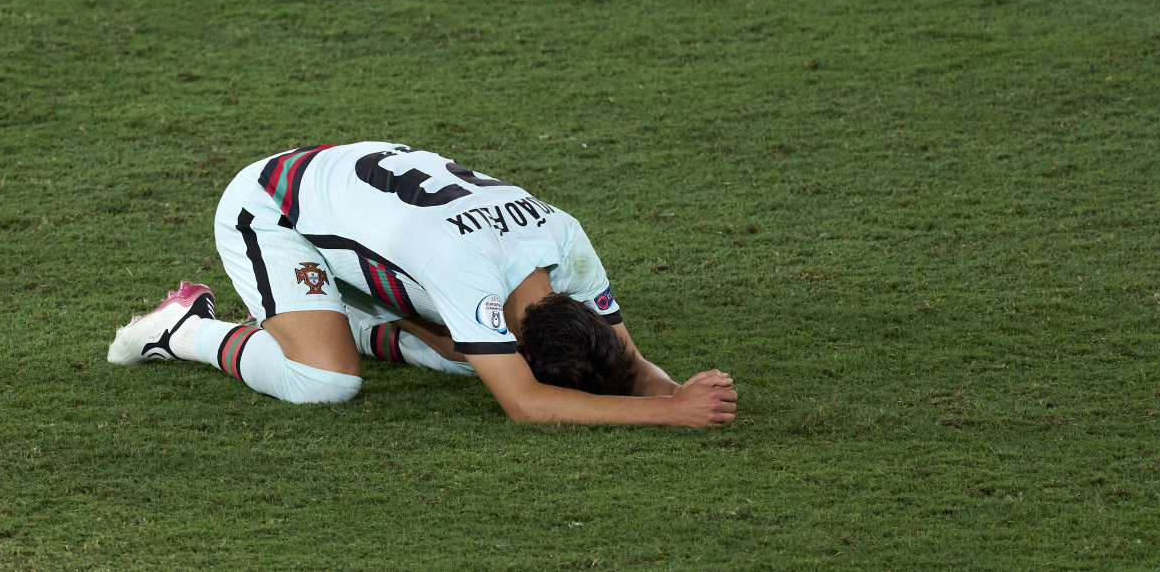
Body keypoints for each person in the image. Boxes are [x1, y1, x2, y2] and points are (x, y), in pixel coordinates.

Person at [108, 142, 737, 426]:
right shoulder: (468, 275)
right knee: (325, 383)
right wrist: (669, 416)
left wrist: (678, 389)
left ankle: (350, 322)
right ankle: (184, 327)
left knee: (476, 359)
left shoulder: (567, 246)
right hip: (271, 208)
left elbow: (622, 354)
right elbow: (526, 405)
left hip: (363, 212)